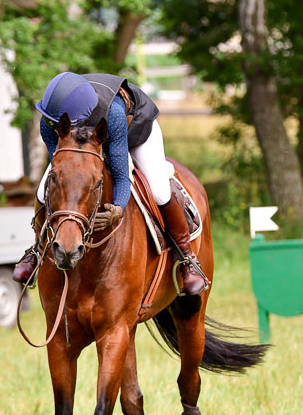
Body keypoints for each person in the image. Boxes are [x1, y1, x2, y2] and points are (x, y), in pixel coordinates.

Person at [13, 71, 209, 295]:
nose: (50, 125)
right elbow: (62, 170)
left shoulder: (113, 114)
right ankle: (37, 249)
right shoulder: (52, 119)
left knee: (159, 191)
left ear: (77, 119)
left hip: (135, 130)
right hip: (81, 141)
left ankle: (187, 259)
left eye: (55, 123)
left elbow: (120, 175)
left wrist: (118, 207)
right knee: (42, 191)